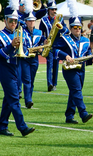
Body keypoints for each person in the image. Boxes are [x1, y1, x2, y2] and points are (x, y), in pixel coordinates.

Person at [53, 7, 93, 123]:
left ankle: (69, 115)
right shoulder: (64, 39)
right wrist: (65, 56)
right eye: (75, 27)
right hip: (69, 68)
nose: (77, 29)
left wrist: (91, 59)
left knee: (75, 91)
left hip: (81, 68)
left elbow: (87, 52)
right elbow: (55, 49)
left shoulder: (85, 40)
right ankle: (83, 113)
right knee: (77, 90)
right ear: (71, 28)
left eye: (79, 27)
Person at [0, 4, 35, 137]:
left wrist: (22, 47)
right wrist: (11, 46)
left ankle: (2, 125)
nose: (14, 23)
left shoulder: (20, 34)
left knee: (8, 99)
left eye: (15, 21)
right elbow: (1, 54)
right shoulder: (1, 35)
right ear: (5, 21)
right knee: (14, 99)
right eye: (11, 21)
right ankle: (22, 127)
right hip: (4, 68)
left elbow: (25, 50)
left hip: (17, 67)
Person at [39, 0, 69, 92]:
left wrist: (60, 28)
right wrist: (43, 39)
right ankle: (49, 84)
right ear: (48, 10)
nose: (54, 11)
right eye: (52, 9)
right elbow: (41, 32)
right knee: (49, 64)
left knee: (56, 65)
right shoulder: (44, 20)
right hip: (48, 45)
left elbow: (66, 30)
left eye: (55, 9)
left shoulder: (60, 19)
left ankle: (54, 84)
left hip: (57, 45)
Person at [21, 4, 45, 109]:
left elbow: (43, 43)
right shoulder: (22, 32)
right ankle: (28, 100)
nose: (31, 23)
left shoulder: (39, 32)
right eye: (29, 21)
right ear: (26, 22)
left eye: (33, 21)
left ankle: (29, 97)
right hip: (25, 59)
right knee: (27, 80)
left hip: (35, 58)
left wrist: (42, 48)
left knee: (32, 79)